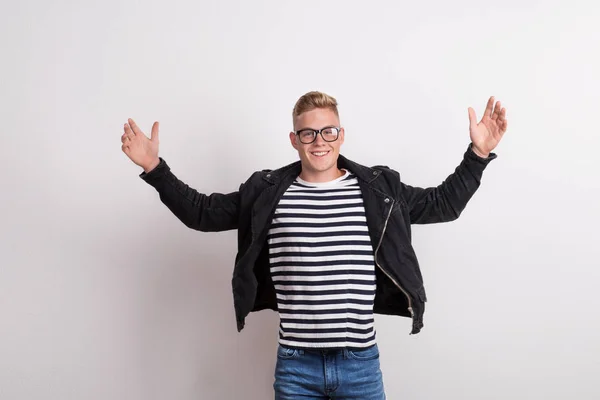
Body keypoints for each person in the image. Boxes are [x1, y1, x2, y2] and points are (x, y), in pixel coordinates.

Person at [120, 91, 507, 399]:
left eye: (328, 131)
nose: (318, 141)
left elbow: (442, 204)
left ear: (341, 135)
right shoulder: (268, 192)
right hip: (296, 366)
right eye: (308, 133)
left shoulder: (377, 190)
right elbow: (203, 213)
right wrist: (155, 169)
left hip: (361, 364)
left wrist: (477, 155)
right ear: (294, 139)